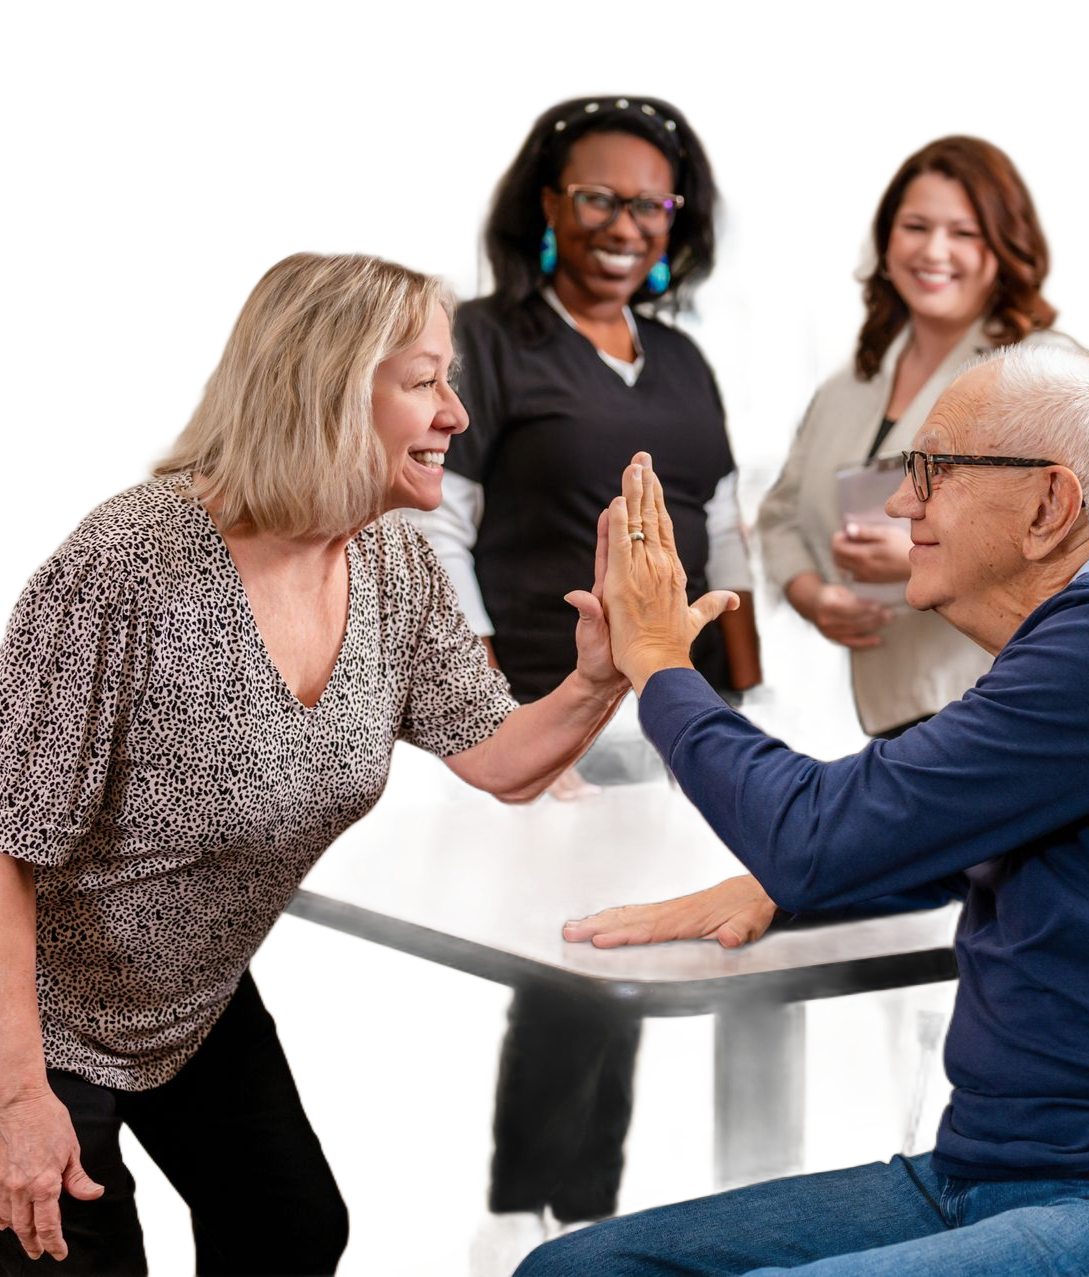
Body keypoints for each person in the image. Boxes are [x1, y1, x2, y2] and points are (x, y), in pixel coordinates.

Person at [516, 342, 1089, 1276]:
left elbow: (818, 832)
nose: (902, 503)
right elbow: (934, 840)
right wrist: (787, 886)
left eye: (934, 471)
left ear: (1049, 504)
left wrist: (657, 664)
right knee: (573, 1270)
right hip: (983, 1172)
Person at [0, 249, 636, 1275]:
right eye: (425, 382)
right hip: (31, 1020)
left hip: (187, 999)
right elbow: (3, 841)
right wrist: (17, 1098)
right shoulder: (119, 569)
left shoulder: (388, 561)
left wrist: (603, 675)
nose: (455, 415)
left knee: (292, 1228)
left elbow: (502, 759)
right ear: (329, 391)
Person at [403, 90, 764, 1274]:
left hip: (673, 717)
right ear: (548, 205)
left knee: (647, 966)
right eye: (597, 197)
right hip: (543, 713)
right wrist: (484, 705)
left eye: (648, 204)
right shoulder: (490, 339)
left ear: (677, 221)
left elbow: (718, 540)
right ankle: (512, 1210)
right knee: (561, 970)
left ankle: (591, 1215)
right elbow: (437, 532)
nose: (624, 222)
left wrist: (742, 703)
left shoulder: (677, 362)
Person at [749, 130, 1077, 1141]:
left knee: (963, 981)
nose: (932, 250)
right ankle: (883, 1193)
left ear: (1006, 247)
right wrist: (805, 589)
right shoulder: (854, 367)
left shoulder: (1042, 376)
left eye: (962, 232)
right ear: (880, 239)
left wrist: (922, 572)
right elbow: (780, 516)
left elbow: (1070, 546)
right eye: (913, 226)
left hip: (972, 715)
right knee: (852, 978)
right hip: (848, 719)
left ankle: (970, 1192)